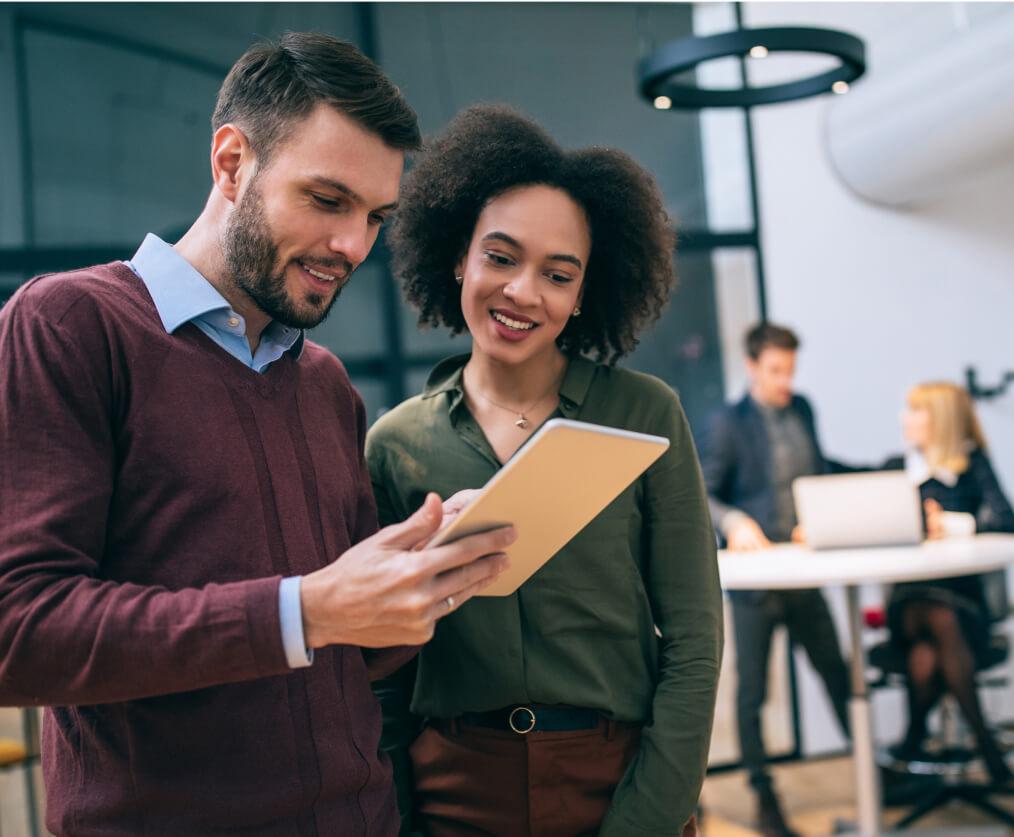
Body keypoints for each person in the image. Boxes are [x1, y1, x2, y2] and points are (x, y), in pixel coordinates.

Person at [0, 33, 515, 836]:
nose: (353, 246)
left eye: (375, 216)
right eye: (327, 199)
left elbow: (347, 648)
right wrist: (302, 610)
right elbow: (18, 629)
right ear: (232, 163)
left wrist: (424, 579)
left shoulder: (323, 382)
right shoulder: (69, 325)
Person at [366, 105, 723, 837]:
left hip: (620, 785)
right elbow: (384, 674)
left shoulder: (644, 413)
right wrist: (401, 816)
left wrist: (647, 818)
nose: (524, 292)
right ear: (458, 255)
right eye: (500, 257)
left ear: (585, 291)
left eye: (558, 274)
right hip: (455, 794)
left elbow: (694, 638)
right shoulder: (394, 445)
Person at [700, 322, 851, 837]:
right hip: (757, 581)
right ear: (752, 366)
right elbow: (704, 492)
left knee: (837, 671)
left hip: (804, 573)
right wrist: (735, 521)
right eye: (776, 370)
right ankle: (764, 795)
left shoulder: (803, 409)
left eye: (791, 370)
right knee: (752, 694)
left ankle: (871, 771)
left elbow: (820, 469)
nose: (786, 380)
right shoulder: (727, 423)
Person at [883, 382, 1014, 783]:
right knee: (934, 618)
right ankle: (988, 751)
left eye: (916, 411)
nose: (906, 419)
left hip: (966, 607)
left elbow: (1004, 518)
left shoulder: (972, 468)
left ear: (940, 420)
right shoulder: (896, 470)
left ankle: (912, 740)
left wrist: (953, 524)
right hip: (909, 606)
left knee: (928, 654)